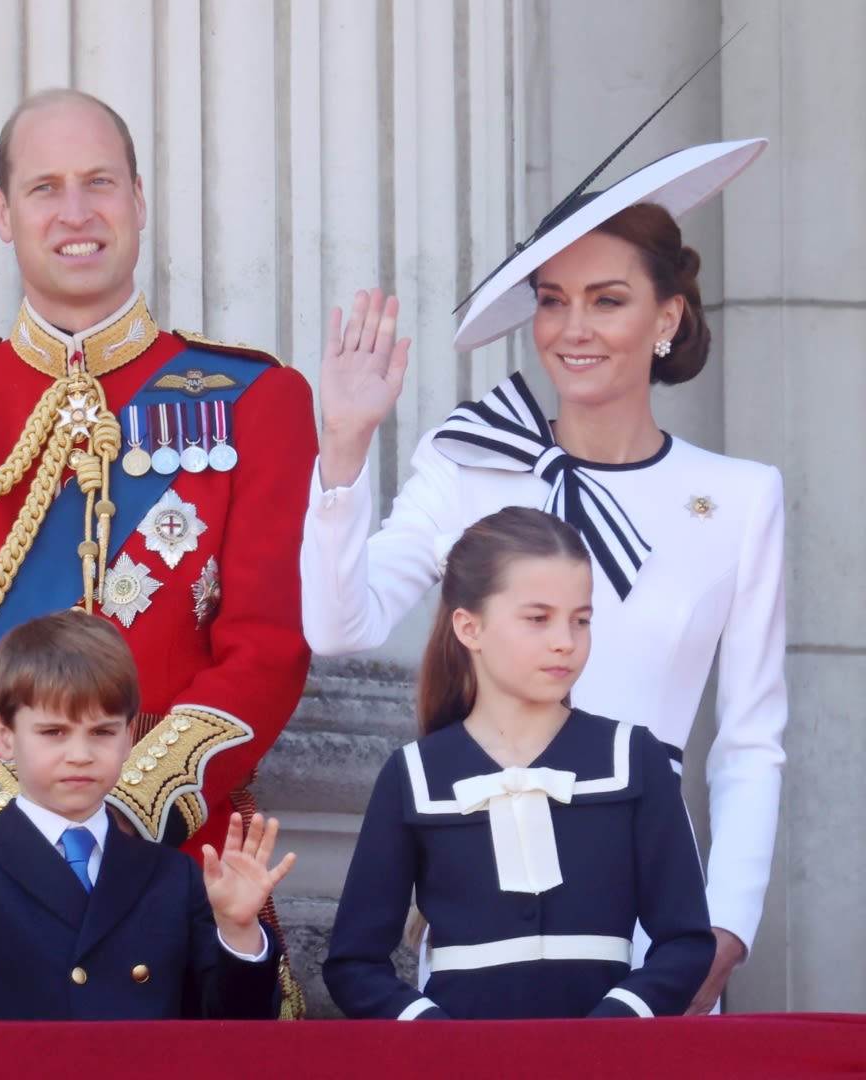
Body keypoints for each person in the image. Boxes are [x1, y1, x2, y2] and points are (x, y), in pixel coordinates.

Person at [0, 87, 316, 1009]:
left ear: (138, 199)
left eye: (99, 182)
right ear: (4, 214)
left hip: (182, 872)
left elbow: (267, 644)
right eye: (45, 187)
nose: (76, 211)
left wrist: (126, 801)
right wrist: (8, 817)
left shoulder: (256, 398)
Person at [301, 139, 784, 1013]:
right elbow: (340, 626)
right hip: (483, 904)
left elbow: (750, 739)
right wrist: (343, 451)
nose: (573, 329)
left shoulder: (742, 498)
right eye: (553, 301)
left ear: (667, 317)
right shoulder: (470, 461)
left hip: (656, 916)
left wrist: (724, 931)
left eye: (608, 300)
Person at [324, 507, 715, 1019]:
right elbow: (355, 963)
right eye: (538, 618)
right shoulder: (414, 775)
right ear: (469, 628)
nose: (565, 641)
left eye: (581, 619)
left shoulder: (633, 757)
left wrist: (616, 1026)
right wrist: (436, 1037)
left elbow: (686, 940)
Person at [0, 610, 293, 1020]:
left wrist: (238, 932)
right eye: (54, 733)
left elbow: (235, 1031)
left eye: (102, 733)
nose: (80, 756)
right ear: (5, 736)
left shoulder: (174, 876)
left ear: (128, 739)